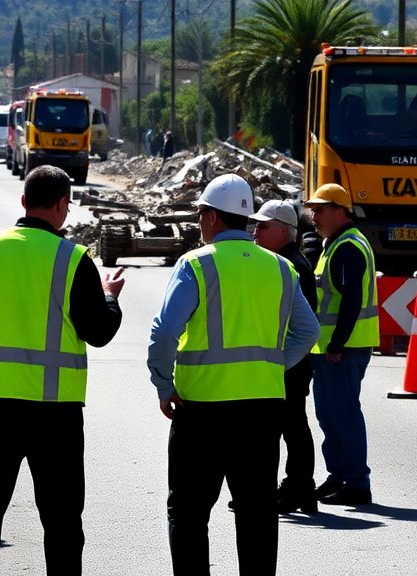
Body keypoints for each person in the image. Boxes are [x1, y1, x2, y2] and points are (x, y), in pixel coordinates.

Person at [0, 165, 126, 576]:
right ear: (64, 205)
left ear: (23, 201)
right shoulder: (74, 259)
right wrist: (109, 297)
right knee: (61, 521)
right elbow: (98, 332)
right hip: (55, 412)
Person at [147, 174, 320, 576]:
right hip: (261, 411)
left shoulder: (196, 263)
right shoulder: (280, 268)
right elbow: (308, 332)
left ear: (209, 217)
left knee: (188, 513)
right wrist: (272, 367)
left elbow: (164, 332)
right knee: (257, 513)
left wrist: (163, 384)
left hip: (201, 411)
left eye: (199, 215)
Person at [303, 183, 378, 507]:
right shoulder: (334, 244)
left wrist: (336, 343)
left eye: (320, 210)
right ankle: (339, 475)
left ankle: (357, 482)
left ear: (340, 210)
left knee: (343, 414)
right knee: (329, 414)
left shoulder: (347, 247)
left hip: (343, 349)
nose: (313, 216)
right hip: (333, 348)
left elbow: (351, 301)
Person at [249, 199, 320, 514]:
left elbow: (301, 326)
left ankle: (296, 488)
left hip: (288, 362)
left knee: (285, 428)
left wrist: (279, 362)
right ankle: (298, 487)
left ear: (283, 231)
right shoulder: (288, 261)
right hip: (290, 361)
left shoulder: (290, 266)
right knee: (291, 427)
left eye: (263, 227)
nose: (255, 232)